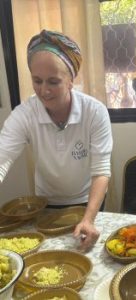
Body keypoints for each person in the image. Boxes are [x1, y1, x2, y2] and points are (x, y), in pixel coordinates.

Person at [0, 29, 113, 251]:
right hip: (46, 204)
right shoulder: (25, 114)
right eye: (37, 80)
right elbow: (2, 158)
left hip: (86, 202)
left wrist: (89, 219)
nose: (44, 91)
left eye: (53, 81)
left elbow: (101, 170)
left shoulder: (94, 112)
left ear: (71, 80)